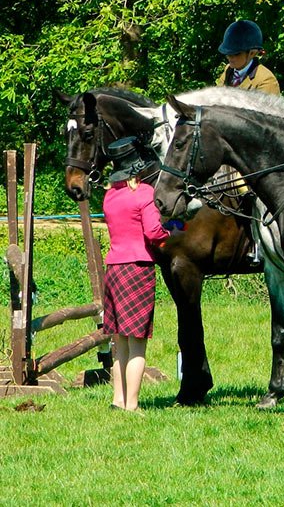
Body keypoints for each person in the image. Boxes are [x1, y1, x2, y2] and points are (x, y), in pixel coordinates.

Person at [102, 136, 170, 412]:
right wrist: (174, 230)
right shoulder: (143, 193)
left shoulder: (110, 195)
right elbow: (153, 232)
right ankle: (133, 405)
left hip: (114, 267)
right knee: (138, 343)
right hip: (137, 267)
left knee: (119, 340)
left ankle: (118, 399)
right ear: (138, 168)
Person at [217, 19, 280, 94]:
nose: (229, 57)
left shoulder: (266, 81)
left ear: (252, 53)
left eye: (236, 53)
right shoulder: (228, 70)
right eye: (228, 53)